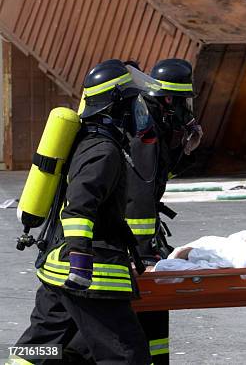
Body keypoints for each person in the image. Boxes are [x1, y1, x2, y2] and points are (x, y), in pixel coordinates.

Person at [9, 60, 161, 365]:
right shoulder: (103, 151)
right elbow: (79, 204)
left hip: (58, 269)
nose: (140, 111)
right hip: (90, 273)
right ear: (116, 106)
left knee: (42, 347)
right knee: (127, 356)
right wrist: (80, 261)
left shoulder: (90, 142)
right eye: (135, 103)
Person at [127, 58, 202, 364]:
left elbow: (159, 176)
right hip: (131, 247)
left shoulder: (152, 125)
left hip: (134, 245)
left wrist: (185, 150)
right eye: (184, 101)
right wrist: (146, 252)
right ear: (169, 99)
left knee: (154, 311)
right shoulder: (146, 133)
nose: (186, 110)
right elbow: (139, 197)